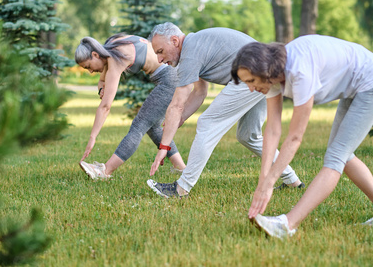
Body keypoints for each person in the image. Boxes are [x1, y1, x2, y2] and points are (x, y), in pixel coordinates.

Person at [230, 35, 373, 239]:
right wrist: (263, 181)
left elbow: (295, 138)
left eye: (251, 81)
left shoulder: (299, 71)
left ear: (264, 70)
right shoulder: (272, 76)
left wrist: (270, 183)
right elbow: (273, 130)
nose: (251, 88)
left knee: (336, 157)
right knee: (343, 155)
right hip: (356, 86)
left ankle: (287, 225)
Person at [146, 22, 304, 198]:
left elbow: (177, 104)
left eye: (160, 51)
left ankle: (181, 188)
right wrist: (179, 119)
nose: (160, 60)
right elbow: (200, 92)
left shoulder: (190, 52)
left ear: (175, 41)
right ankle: (293, 182)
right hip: (266, 71)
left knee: (207, 123)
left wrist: (164, 147)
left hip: (253, 74)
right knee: (248, 136)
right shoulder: (196, 46)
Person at [75, 34, 186, 179]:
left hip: (169, 79)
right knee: (152, 127)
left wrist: (92, 137)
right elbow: (105, 69)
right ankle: (182, 168)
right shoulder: (112, 43)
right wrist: (102, 80)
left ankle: (105, 171)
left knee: (139, 126)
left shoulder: (115, 59)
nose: (90, 71)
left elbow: (105, 107)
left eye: (88, 66)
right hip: (172, 74)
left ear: (95, 54)